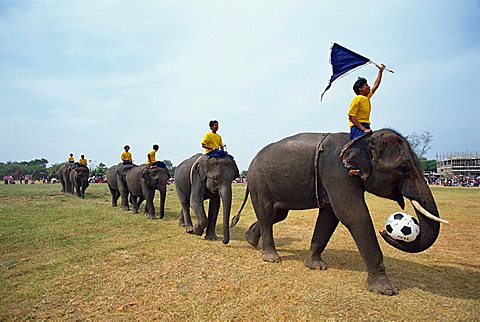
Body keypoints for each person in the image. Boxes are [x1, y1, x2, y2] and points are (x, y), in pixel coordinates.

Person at [347, 63, 385, 141]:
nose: (369, 87)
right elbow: (351, 116)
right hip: (357, 128)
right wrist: (363, 129)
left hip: (366, 126)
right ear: (360, 89)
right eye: (366, 85)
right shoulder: (357, 99)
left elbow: (376, 85)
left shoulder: (366, 98)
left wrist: (380, 71)